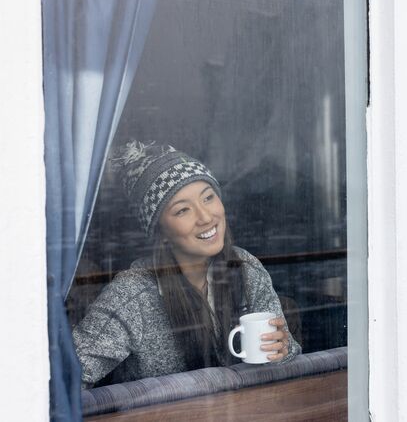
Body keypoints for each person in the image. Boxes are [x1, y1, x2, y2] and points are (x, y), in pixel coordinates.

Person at [72, 140, 300, 387]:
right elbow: (68, 379)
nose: (205, 217)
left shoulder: (245, 267)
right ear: (161, 231)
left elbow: (286, 359)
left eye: (208, 197)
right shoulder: (133, 294)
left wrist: (282, 350)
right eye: (182, 210)